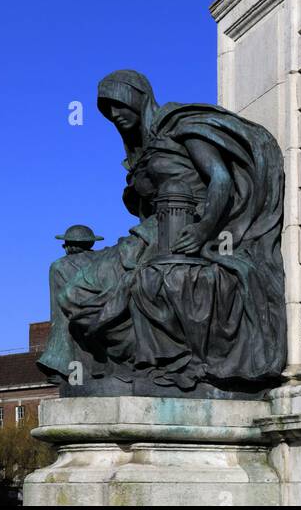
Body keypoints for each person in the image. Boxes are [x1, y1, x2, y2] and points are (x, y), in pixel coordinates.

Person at [38, 70, 286, 394]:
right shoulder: (144, 147)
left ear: (137, 97)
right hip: (153, 230)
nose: (115, 115)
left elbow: (220, 179)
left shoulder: (178, 126)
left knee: (84, 291)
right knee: (67, 277)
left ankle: (150, 363)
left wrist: (202, 230)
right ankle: (93, 367)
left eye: (119, 105)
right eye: (108, 111)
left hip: (182, 228)